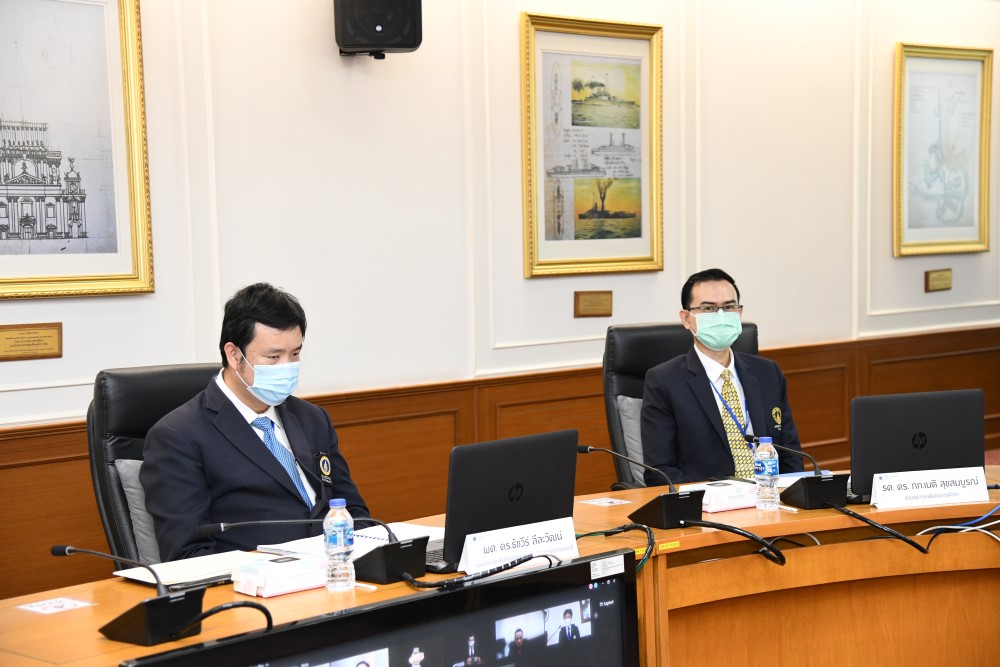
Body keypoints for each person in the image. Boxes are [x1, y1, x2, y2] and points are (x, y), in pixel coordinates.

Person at [141, 283, 369, 561]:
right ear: (234, 355)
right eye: (273, 357)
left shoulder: (313, 418)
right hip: (256, 581)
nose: (286, 366)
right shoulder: (178, 436)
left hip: (338, 571)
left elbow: (354, 513)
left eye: (295, 354)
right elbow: (188, 555)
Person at [640, 268, 804, 485]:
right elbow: (660, 471)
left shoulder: (767, 372)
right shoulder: (663, 381)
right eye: (708, 308)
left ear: (739, 313)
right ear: (686, 319)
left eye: (729, 307)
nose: (721, 316)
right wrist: (712, 497)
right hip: (707, 500)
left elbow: (791, 455)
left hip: (769, 496)